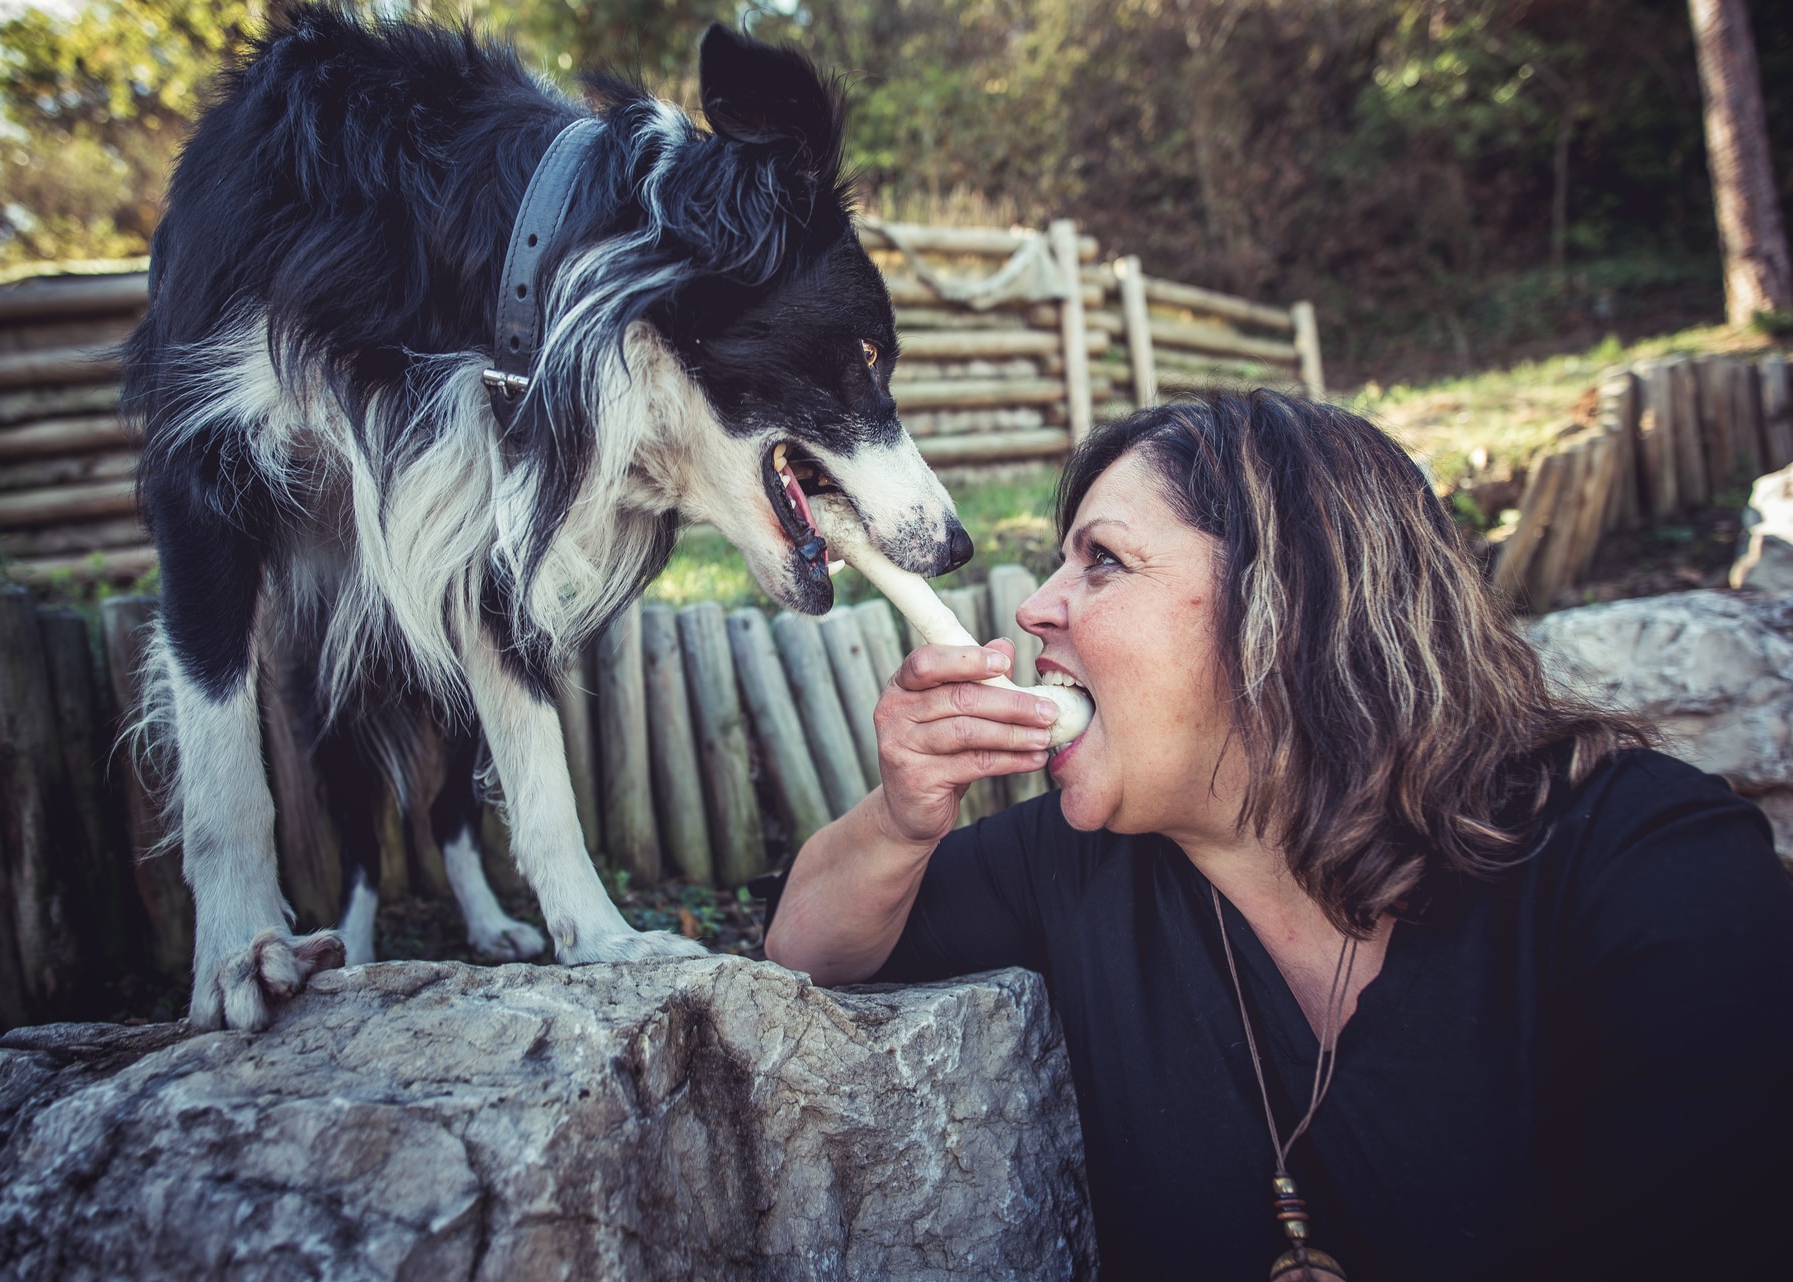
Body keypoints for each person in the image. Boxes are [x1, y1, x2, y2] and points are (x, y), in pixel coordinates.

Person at [764, 390, 1793, 1281]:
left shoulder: (1650, 869)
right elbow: (805, 944)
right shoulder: (1075, 863)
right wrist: (902, 817)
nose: (1036, 608)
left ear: (1290, 604)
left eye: (1102, 560)